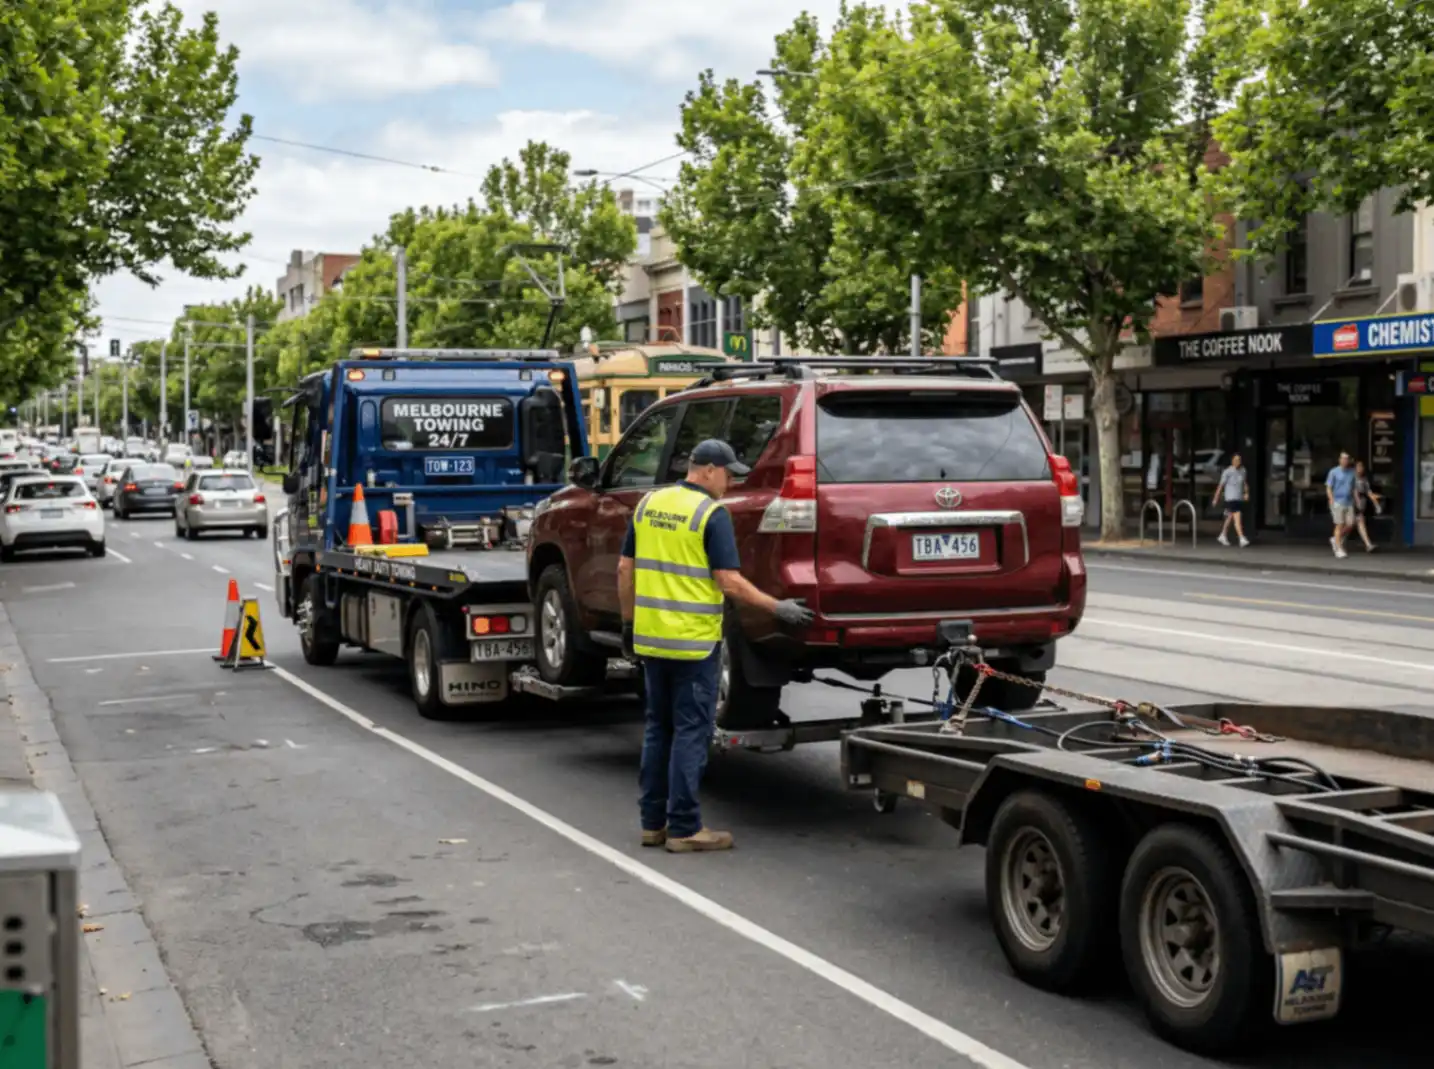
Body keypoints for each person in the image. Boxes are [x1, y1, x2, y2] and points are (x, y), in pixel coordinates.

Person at [617, 439, 814, 854]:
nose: (730, 482)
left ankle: (652, 824)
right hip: (692, 644)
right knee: (691, 733)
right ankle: (685, 828)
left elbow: (624, 569)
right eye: (728, 474)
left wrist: (628, 622)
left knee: (658, 730)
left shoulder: (648, 504)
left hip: (651, 640)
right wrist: (777, 607)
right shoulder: (710, 514)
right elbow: (729, 581)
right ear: (706, 470)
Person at [1212, 453, 1250, 547]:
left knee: (1229, 517)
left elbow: (1245, 483)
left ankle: (1223, 535)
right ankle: (1241, 538)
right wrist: (1215, 498)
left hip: (1238, 498)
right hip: (1230, 498)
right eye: (1236, 460)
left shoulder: (1243, 471)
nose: (1238, 462)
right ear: (1232, 461)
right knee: (1237, 517)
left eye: (1239, 460)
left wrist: (1246, 493)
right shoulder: (1227, 472)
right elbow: (1221, 486)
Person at [1326, 451, 1357, 559]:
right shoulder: (1333, 472)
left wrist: (1356, 499)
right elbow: (1329, 487)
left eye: (1347, 459)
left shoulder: (1352, 473)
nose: (1345, 460)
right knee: (1339, 524)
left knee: (1350, 524)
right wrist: (1331, 499)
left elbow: (1353, 488)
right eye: (1343, 458)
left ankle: (1335, 538)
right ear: (1339, 460)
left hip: (1348, 501)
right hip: (1337, 501)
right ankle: (1339, 548)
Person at [1351, 460, 1383, 553]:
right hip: (1352, 504)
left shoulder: (1364, 480)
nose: (1360, 469)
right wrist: (1357, 503)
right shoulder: (1351, 479)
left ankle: (1368, 544)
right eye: (1358, 467)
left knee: (1355, 524)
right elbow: (1354, 492)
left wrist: (1377, 505)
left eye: (1362, 467)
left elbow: (1369, 493)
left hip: (1361, 504)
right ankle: (1368, 544)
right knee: (1356, 523)